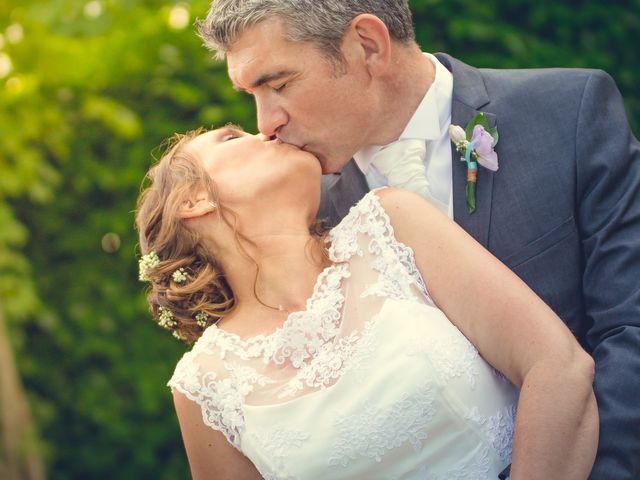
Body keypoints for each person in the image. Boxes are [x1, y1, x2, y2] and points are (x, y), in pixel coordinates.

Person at [195, 1, 640, 478]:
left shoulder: (565, 112)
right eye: (252, 95)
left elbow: (629, 327)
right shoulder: (308, 222)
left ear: (367, 46)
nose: (266, 124)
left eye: (279, 85)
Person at [135, 125, 598, 479]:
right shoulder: (203, 386)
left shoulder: (391, 227)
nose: (267, 129)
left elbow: (558, 366)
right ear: (193, 200)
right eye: (233, 137)